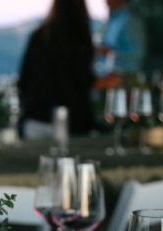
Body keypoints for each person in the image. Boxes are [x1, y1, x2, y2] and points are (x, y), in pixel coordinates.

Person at [17, 0, 95, 137]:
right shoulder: (81, 40)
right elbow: (84, 81)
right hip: (73, 123)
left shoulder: (38, 36)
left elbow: (23, 80)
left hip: (36, 118)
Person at [97, 0, 146, 75]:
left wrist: (109, 53)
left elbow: (136, 56)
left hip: (121, 79)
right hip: (105, 76)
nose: (106, 1)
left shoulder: (131, 20)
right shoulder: (112, 19)